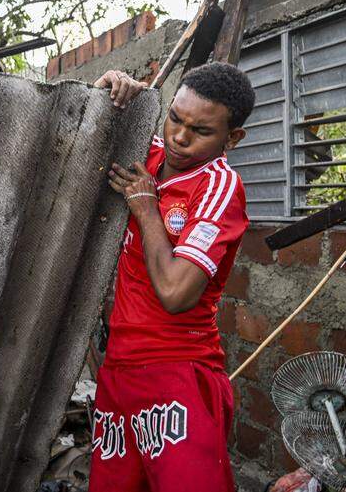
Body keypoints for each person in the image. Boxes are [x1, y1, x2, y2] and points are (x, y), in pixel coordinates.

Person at [88, 63, 255, 492]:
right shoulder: (153, 152)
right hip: (119, 370)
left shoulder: (218, 187)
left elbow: (176, 293)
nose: (180, 137)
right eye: (175, 118)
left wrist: (146, 209)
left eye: (200, 131)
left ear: (231, 139)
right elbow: (85, 137)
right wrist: (108, 88)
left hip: (178, 372)